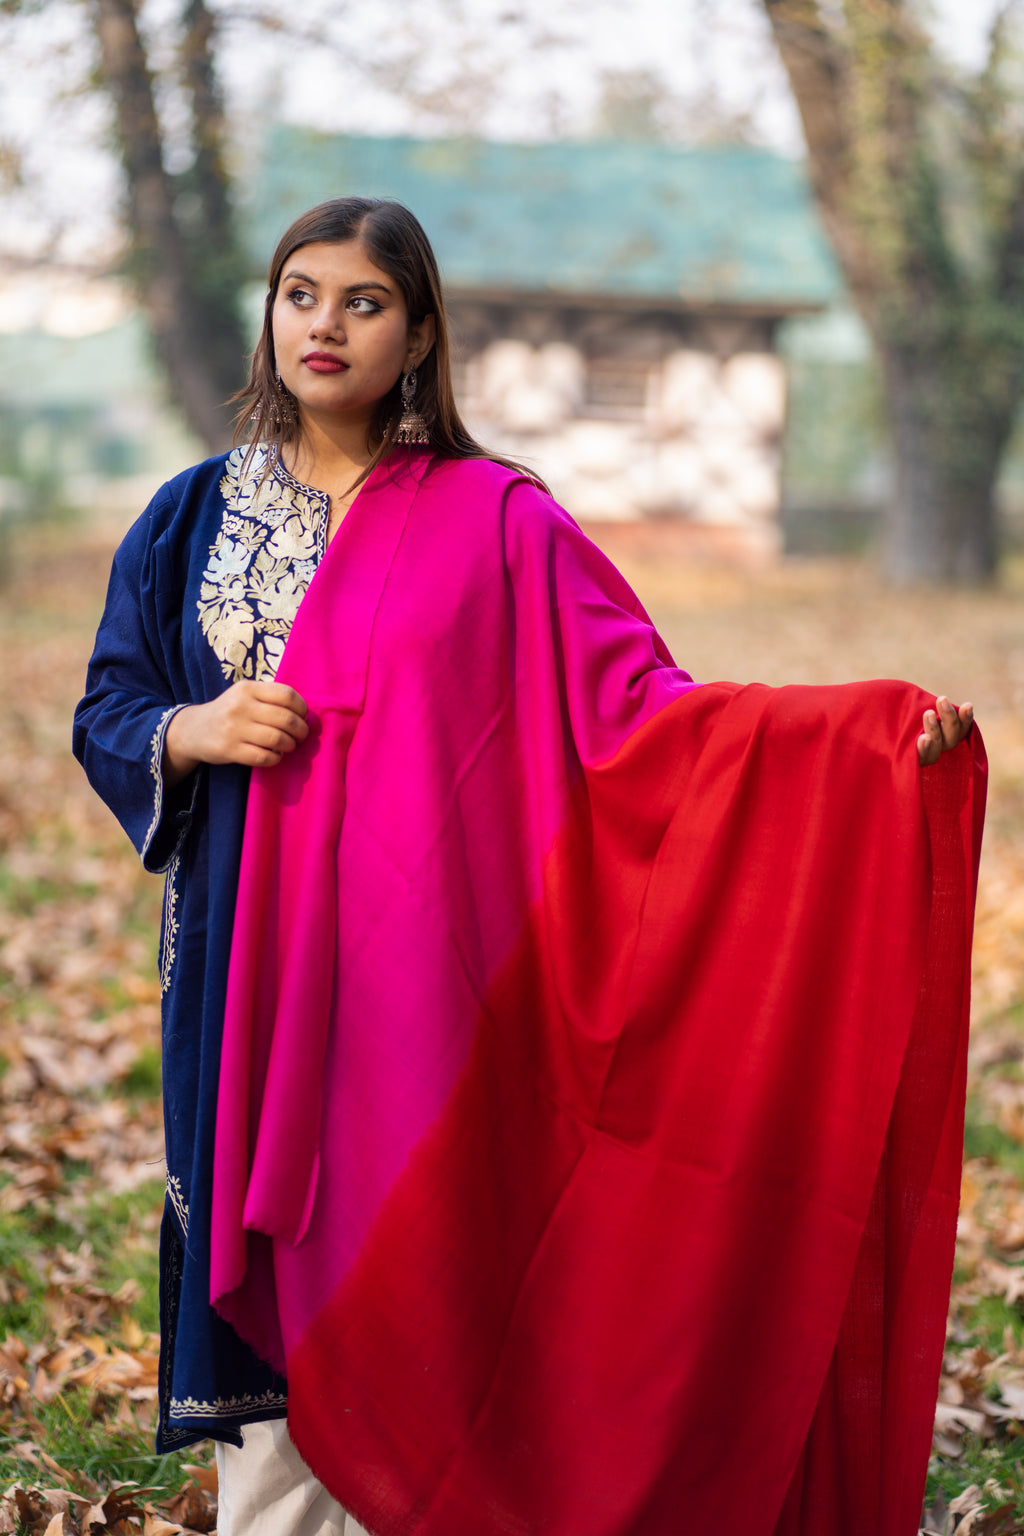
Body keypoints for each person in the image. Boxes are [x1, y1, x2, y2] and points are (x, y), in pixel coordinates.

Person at [74, 197, 983, 1536]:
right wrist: (191, 729)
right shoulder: (190, 517)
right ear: (269, 316)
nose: (326, 324)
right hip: (237, 965)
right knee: (257, 1252)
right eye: (301, 294)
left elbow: (648, 713)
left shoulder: (494, 519)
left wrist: (853, 740)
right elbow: (109, 705)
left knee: (410, 1233)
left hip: (425, 974)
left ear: (421, 330)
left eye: (365, 301)